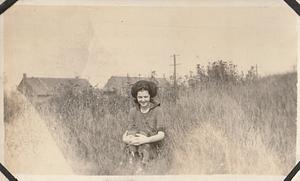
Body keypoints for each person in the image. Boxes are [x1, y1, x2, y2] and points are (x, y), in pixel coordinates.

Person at [122, 80, 165, 169]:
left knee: (145, 147)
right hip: (135, 143)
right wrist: (126, 139)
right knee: (130, 144)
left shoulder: (157, 111)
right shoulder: (133, 111)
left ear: (150, 96)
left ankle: (143, 165)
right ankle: (131, 164)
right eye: (140, 97)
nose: (143, 100)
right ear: (136, 98)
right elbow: (129, 130)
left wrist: (145, 140)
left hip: (151, 143)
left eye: (145, 97)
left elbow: (161, 135)